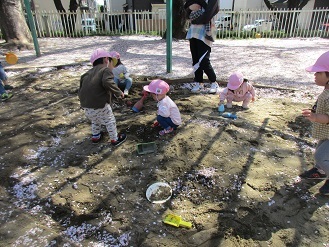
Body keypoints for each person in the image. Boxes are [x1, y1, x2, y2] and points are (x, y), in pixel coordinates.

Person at [78, 48, 127, 146]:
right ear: (106, 59)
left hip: (86, 105)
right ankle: (115, 139)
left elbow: (81, 88)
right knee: (110, 120)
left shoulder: (86, 74)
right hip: (100, 104)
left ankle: (96, 136)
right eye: (110, 60)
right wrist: (118, 92)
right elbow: (107, 82)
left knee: (95, 120)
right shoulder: (105, 70)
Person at [299, 51, 329, 195]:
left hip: (326, 128)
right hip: (325, 132)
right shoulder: (327, 89)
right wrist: (314, 111)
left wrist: (316, 116)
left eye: (318, 73)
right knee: (320, 149)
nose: (315, 75)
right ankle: (321, 170)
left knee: (321, 156)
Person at [185, 0, 219, 94]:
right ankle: (199, 82)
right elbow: (186, 13)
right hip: (193, 32)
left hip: (205, 33)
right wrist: (190, 8)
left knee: (204, 60)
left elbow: (208, 15)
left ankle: (213, 82)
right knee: (195, 60)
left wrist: (194, 19)